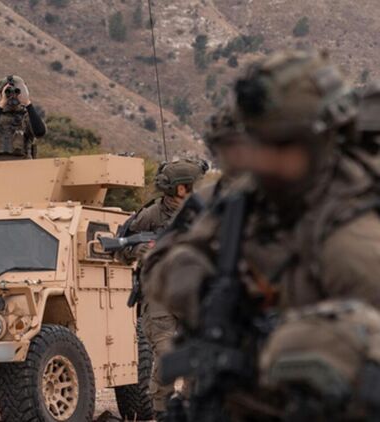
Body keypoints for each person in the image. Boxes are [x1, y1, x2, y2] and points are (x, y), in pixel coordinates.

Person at [146, 50, 380, 420]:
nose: (264, 161)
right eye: (258, 143)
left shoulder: (354, 241)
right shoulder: (245, 199)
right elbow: (163, 263)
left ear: (324, 140)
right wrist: (212, 292)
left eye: (281, 146)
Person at [118, 158, 206, 421]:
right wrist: (142, 250)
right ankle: (161, 411)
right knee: (168, 356)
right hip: (159, 296)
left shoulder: (204, 212)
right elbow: (120, 247)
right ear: (181, 188)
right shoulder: (151, 215)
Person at [0, 75, 46, 161]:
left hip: (24, 165)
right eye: (8, 92)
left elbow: (40, 132)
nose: (13, 96)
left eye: (17, 92)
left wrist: (27, 102)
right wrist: (2, 103)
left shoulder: (27, 116)